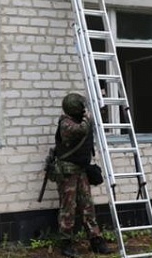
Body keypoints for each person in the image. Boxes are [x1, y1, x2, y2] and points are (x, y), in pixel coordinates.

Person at [54, 93, 111, 257]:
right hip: (67, 173)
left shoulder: (81, 120)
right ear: (74, 108)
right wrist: (88, 116)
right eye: (82, 107)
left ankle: (96, 240)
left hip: (81, 170)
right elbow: (82, 129)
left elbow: (94, 122)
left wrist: (100, 106)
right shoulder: (66, 123)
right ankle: (66, 243)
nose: (84, 109)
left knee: (87, 206)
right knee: (68, 208)